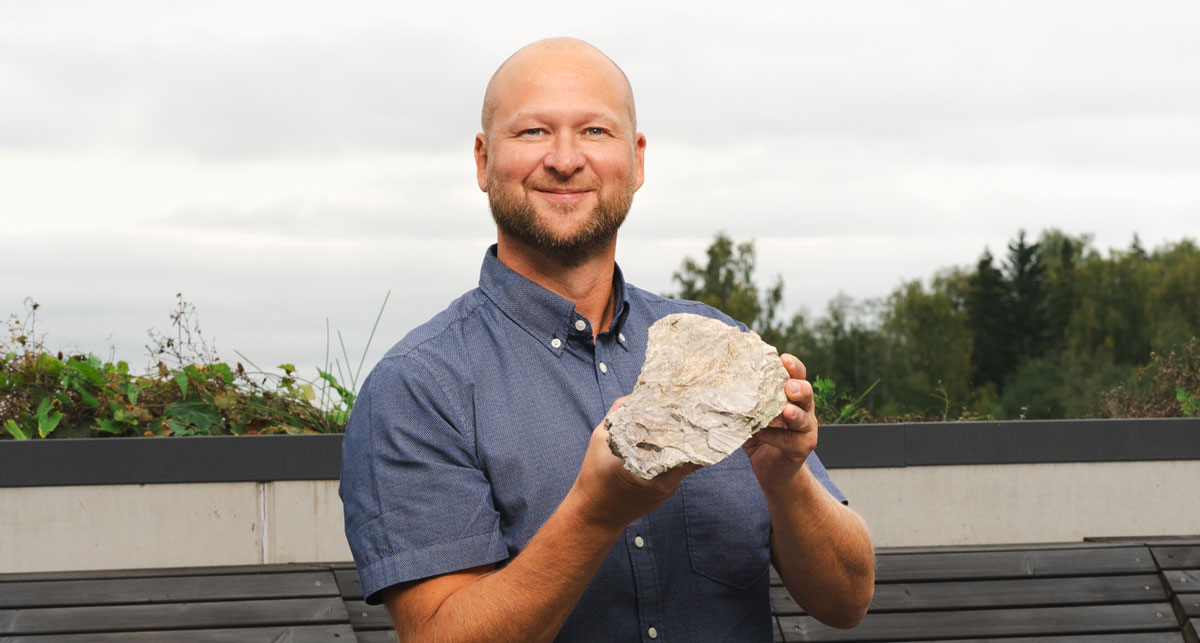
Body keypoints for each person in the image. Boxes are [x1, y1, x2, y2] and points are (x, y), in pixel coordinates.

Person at [339, 37, 875, 642]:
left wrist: (786, 481)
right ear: (483, 160)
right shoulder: (417, 389)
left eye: (595, 131)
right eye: (534, 132)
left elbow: (847, 602)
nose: (566, 159)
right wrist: (595, 514)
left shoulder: (718, 350)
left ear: (637, 160)